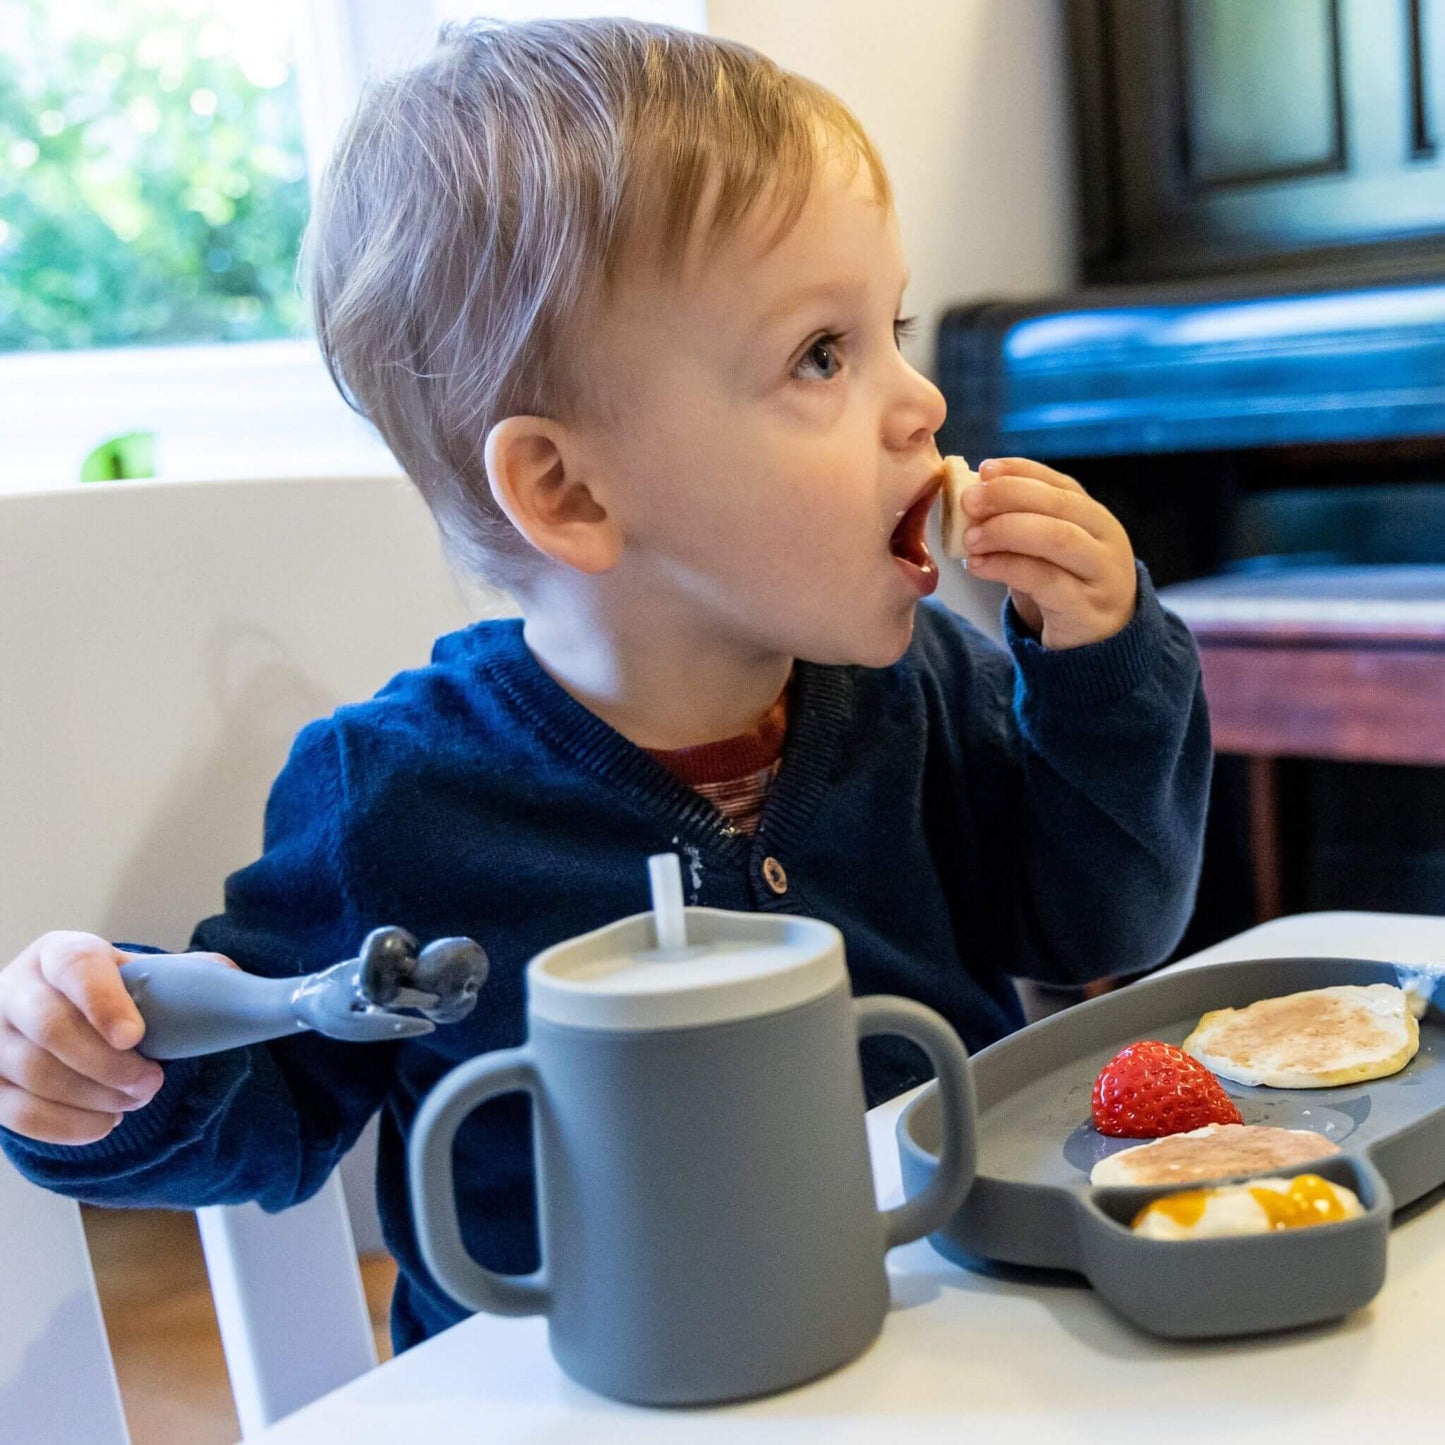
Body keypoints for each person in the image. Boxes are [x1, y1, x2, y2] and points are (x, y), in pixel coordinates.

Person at [0, 18, 1210, 1352]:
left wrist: (1097, 668)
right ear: (569, 490)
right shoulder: (395, 797)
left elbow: (1103, 923)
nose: (918, 400)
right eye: (822, 353)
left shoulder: (923, 686)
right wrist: (98, 1067)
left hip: (930, 1338)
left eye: (893, 328)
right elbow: (268, 1101)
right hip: (570, 1389)